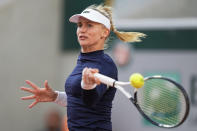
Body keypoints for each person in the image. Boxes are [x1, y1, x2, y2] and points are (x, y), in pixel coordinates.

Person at [20, 4, 145, 131]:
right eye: (80, 25)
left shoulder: (105, 64)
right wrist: (55, 96)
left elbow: (91, 101)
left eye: (89, 25)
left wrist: (88, 86)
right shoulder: (83, 61)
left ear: (104, 32)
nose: (82, 30)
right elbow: (78, 101)